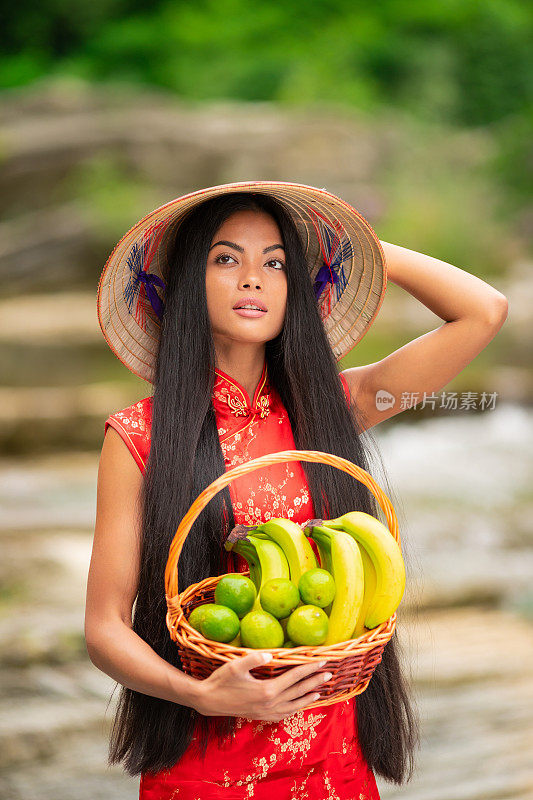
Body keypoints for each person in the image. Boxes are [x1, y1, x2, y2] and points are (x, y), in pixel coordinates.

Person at [86, 181, 508, 799]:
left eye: (276, 262)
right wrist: (200, 693)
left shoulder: (332, 407)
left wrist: (358, 251)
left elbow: (483, 311)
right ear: (183, 285)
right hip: (206, 763)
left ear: (299, 289)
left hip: (333, 758)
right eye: (226, 258)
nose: (252, 278)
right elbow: (103, 628)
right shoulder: (139, 437)